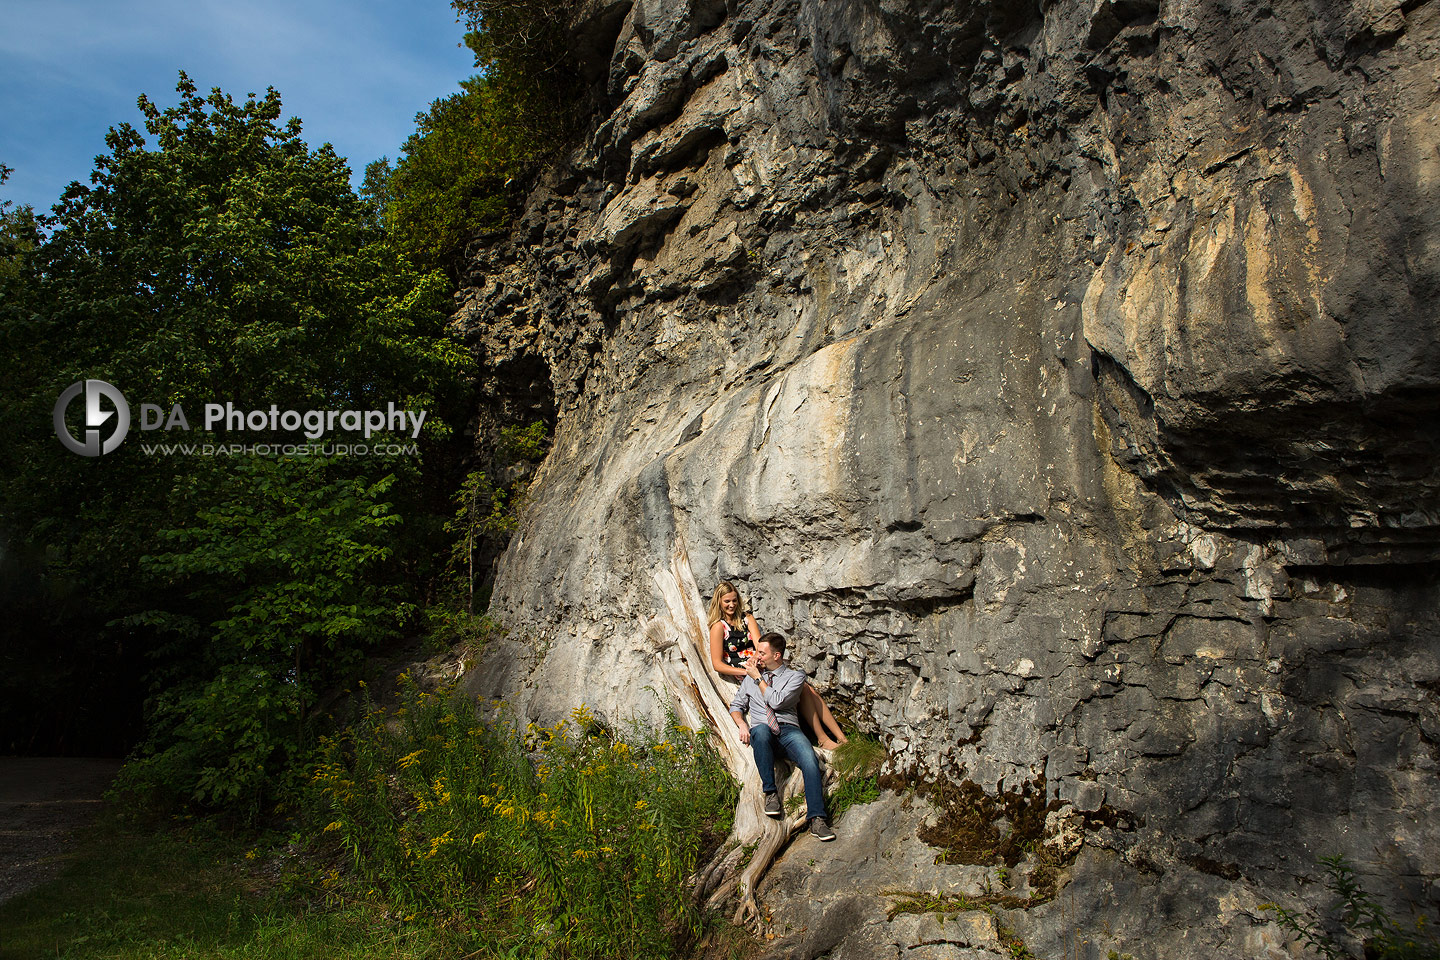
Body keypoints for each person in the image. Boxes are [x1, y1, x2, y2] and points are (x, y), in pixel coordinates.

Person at [707, 582, 848, 749]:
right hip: (744, 674)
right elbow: (717, 664)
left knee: (806, 688)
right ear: (719, 602)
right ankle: (823, 738)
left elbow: (760, 644)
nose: (731, 605)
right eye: (727, 602)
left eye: (734, 600)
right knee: (800, 689)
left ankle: (841, 738)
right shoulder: (718, 627)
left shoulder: (747, 618)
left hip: (761, 664)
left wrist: (756, 659)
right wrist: (746, 672)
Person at [730, 632, 835, 841]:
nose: (757, 656)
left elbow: (777, 702)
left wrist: (758, 678)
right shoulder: (750, 680)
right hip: (764, 732)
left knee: (809, 760)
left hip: (788, 730)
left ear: (776, 655)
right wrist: (742, 724)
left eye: (762, 652)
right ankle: (770, 793)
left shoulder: (795, 677)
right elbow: (736, 706)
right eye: (757, 651)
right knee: (759, 730)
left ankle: (817, 818)